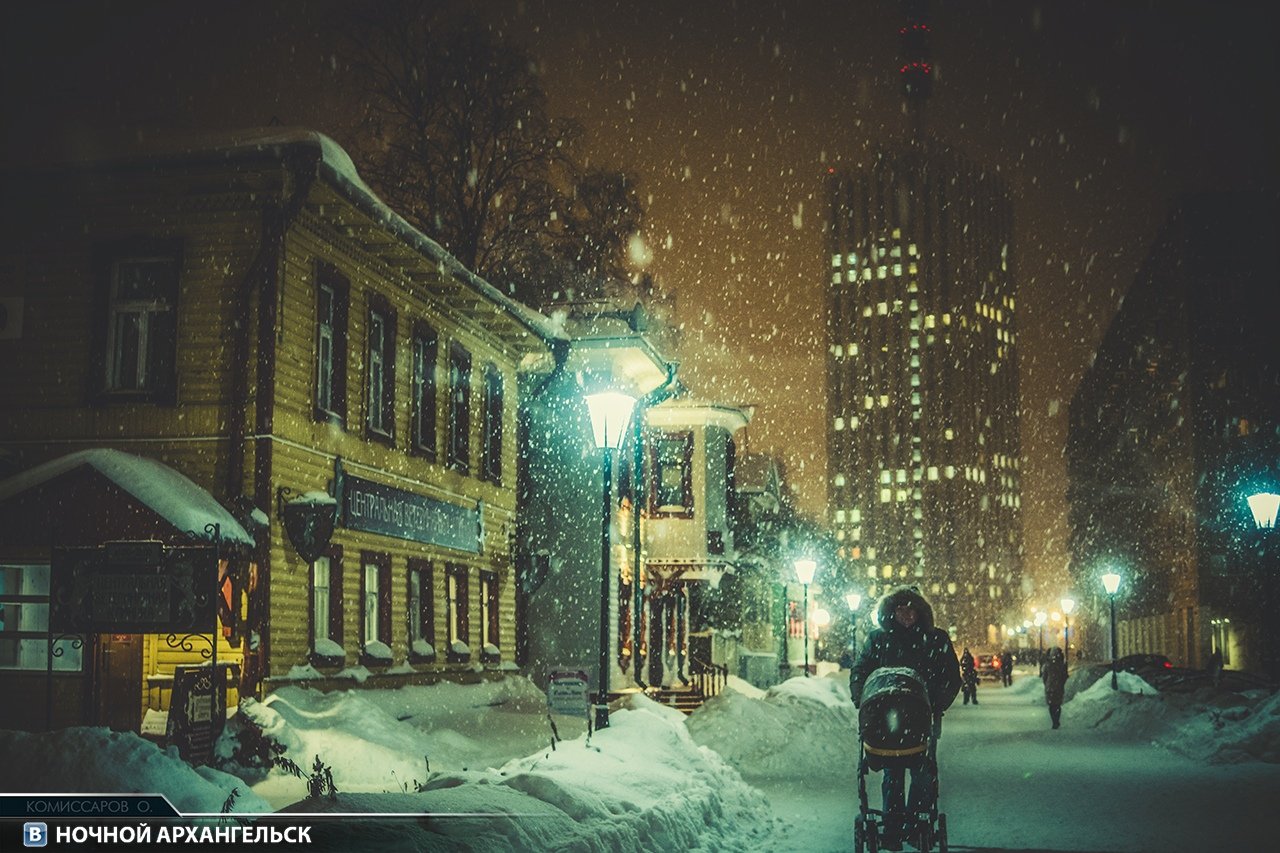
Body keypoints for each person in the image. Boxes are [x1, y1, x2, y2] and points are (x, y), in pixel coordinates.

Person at [851, 587, 962, 851]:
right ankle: (893, 826)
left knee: (922, 772)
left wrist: (936, 705)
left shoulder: (935, 639)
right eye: (900, 609)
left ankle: (915, 825)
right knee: (892, 772)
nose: (906, 615)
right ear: (891, 612)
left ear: (920, 612)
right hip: (886, 719)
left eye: (911, 610)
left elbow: (951, 677)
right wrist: (862, 699)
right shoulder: (878, 639)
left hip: (923, 716)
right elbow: (861, 669)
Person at [1042, 646, 1068, 729]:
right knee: (1057, 704)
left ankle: (1054, 721)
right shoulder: (1061, 664)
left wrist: (1047, 684)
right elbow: (1064, 676)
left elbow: (1044, 676)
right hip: (1059, 687)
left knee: (1051, 705)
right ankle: (1056, 720)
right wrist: (1061, 683)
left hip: (1050, 687)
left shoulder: (1047, 664)